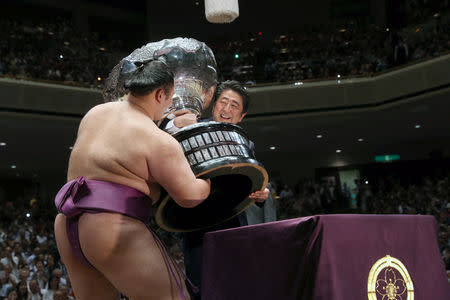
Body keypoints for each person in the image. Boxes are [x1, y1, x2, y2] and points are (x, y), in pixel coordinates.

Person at [54, 56, 211, 300]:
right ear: (160, 95)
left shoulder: (96, 113)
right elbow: (189, 196)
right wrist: (208, 180)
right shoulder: (155, 138)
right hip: (109, 228)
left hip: (66, 224)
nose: (167, 108)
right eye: (168, 100)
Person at [170, 80, 269, 299]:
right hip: (195, 226)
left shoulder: (245, 144)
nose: (227, 109)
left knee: (236, 287)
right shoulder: (190, 127)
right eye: (223, 102)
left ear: (242, 116)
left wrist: (261, 195)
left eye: (234, 106)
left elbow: (252, 182)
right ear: (214, 105)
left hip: (233, 225)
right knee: (202, 288)